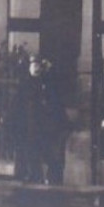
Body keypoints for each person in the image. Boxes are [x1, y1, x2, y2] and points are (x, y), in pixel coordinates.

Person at [12, 56, 68, 186]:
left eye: (38, 66)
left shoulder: (45, 83)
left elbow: (53, 101)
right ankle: (33, 175)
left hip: (42, 125)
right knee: (29, 150)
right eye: (33, 66)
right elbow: (17, 104)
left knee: (45, 150)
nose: (36, 69)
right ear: (29, 67)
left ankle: (46, 176)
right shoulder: (24, 83)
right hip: (28, 124)